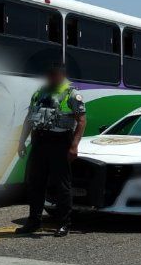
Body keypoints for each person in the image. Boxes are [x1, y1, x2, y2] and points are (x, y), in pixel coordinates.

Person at [15, 64, 87, 237]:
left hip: (60, 143)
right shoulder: (40, 93)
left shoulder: (71, 94)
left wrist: (74, 146)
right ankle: (34, 221)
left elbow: (82, 121)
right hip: (39, 142)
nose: (51, 78)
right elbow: (29, 118)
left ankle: (64, 224)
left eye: (54, 75)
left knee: (62, 185)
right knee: (36, 184)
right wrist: (21, 141)